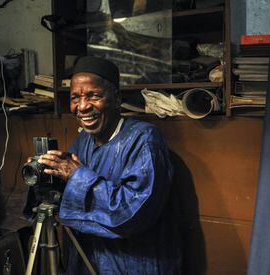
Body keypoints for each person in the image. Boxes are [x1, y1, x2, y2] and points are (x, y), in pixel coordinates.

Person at [35, 56, 182, 274]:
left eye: (93, 95)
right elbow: (71, 199)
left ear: (116, 97)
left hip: (133, 263)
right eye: (75, 97)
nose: (82, 106)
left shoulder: (145, 140)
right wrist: (50, 171)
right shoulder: (83, 140)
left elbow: (134, 213)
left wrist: (77, 176)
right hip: (89, 260)